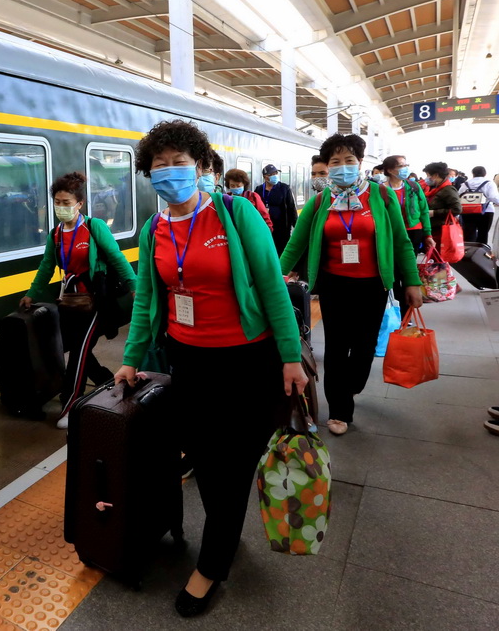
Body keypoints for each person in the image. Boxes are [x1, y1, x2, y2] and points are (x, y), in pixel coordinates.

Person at [116, 119, 308, 617]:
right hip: (189, 361)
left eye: (181, 163)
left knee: (230, 466)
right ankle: (225, 536)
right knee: (206, 460)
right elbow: (145, 300)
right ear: (148, 175)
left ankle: (213, 565)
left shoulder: (235, 212)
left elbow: (272, 287)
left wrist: (291, 357)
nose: (171, 173)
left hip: (247, 360)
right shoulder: (154, 228)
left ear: (202, 168)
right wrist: (130, 359)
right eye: (160, 166)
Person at [281, 134, 423, 436]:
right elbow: (296, 243)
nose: (342, 166)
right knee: (335, 348)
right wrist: (278, 274)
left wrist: (412, 281)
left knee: (364, 348)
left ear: (360, 162)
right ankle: (340, 409)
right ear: (327, 166)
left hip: (373, 286)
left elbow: (401, 242)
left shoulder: (381, 197)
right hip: (334, 286)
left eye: (349, 160)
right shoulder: (321, 201)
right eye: (335, 162)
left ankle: (351, 386)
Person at [21, 172, 136, 429]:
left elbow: (117, 259)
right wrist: (32, 293)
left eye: (66, 202)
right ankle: (108, 381)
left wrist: (134, 286)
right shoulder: (56, 234)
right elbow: (46, 267)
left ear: (79, 204)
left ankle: (70, 403)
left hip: (96, 303)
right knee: (76, 348)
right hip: (70, 303)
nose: (61, 207)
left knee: (79, 352)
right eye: (57, 202)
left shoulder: (94, 228)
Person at [382, 155, 435, 317]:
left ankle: (407, 313)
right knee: (393, 272)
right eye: (401, 166)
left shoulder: (413, 187)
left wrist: (427, 234)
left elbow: (424, 211)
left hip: (413, 233)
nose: (406, 169)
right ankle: (394, 310)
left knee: (408, 270)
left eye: (406, 165)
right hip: (390, 234)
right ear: (390, 170)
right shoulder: (381, 190)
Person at [254, 163, 297, 254]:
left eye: (276, 173)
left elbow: (291, 208)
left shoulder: (284, 188)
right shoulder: (259, 189)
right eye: (272, 174)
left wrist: (296, 226)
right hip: (265, 227)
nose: (275, 176)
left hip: (282, 229)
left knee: (281, 251)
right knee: (268, 251)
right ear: (266, 177)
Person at [458, 166, 499, 244]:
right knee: (483, 233)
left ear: (473, 173)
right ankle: (481, 253)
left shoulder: (465, 184)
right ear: (485, 174)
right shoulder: (489, 183)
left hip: (468, 210)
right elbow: (493, 197)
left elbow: (459, 196)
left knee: (469, 234)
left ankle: (469, 252)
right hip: (486, 211)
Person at [423, 161, 462, 242]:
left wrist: (434, 213)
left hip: (442, 229)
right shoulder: (437, 188)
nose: (426, 178)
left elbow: (457, 209)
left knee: (440, 253)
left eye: (428, 175)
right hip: (435, 228)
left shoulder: (448, 189)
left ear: (436, 175)